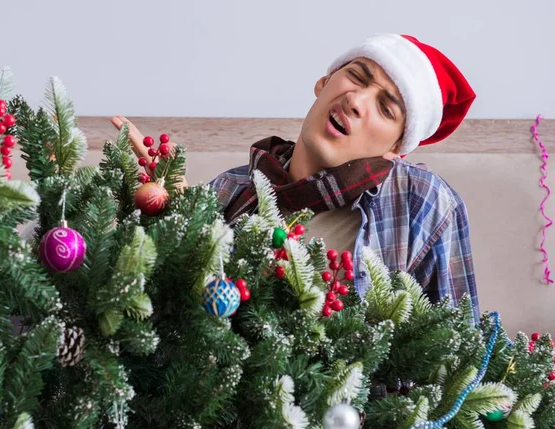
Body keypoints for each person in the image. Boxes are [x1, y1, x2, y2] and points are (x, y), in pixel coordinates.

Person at [111, 33, 480, 322]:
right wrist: (181, 216)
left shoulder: (421, 201)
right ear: (323, 83)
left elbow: (457, 355)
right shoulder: (230, 191)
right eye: (356, 77)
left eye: (385, 108)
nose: (357, 101)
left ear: (397, 149)